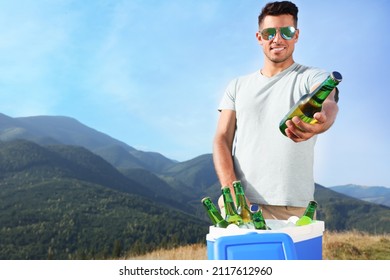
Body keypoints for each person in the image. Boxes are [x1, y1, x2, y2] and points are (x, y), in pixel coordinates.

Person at [213, 1, 339, 220]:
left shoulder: (310, 76)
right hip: (241, 203)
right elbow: (222, 138)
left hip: (291, 207)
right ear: (259, 37)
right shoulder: (237, 86)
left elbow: (328, 99)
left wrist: (322, 121)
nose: (277, 39)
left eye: (286, 31)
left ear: (296, 35)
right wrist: (231, 191)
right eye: (269, 32)